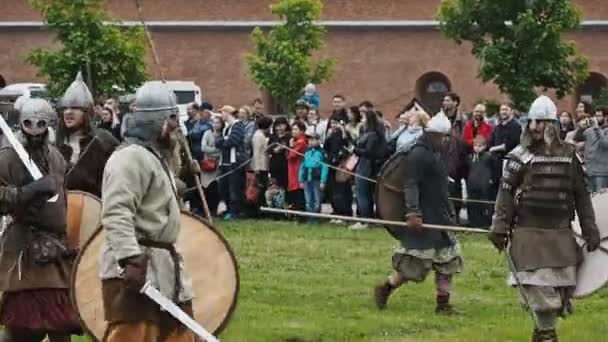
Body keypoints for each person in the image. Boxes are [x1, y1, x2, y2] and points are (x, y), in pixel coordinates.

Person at [488, 95, 600, 342]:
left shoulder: (570, 156)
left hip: (561, 237)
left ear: (553, 125)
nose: (534, 127)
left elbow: (582, 197)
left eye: (540, 122)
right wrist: (499, 225)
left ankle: (542, 335)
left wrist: (590, 228)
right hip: (529, 237)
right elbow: (505, 195)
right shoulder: (519, 156)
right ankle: (548, 336)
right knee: (543, 299)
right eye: (532, 122)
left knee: (557, 297)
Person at [99, 81, 195, 342]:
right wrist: (131, 258)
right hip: (138, 267)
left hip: (163, 267)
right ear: (157, 120)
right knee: (134, 335)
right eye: (172, 119)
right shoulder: (130, 157)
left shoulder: (154, 156)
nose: (177, 126)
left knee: (178, 335)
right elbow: (117, 211)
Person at [0, 98, 81, 342]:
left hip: (55, 248)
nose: (34, 130)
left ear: (49, 125)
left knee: (61, 325)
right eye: (28, 123)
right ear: (21, 124)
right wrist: (29, 191)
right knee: (23, 327)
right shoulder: (7, 156)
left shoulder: (56, 157)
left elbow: (63, 202)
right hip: (24, 249)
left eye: (40, 124)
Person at [374, 112, 463, 314]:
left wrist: (450, 215)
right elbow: (410, 184)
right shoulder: (418, 154)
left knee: (447, 262)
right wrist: (413, 212)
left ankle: (443, 304)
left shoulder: (435, 152)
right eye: (443, 136)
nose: (445, 140)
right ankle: (385, 288)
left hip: (440, 216)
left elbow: (440, 187)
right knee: (412, 265)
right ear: (433, 134)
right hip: (424, 216)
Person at [55, 72, 120, 198]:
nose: (68, 112)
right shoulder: (57, 143)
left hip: (95, 209)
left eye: (75, 108)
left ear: (87, 112)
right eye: (65, 108)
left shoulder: (104, 141)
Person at [349, 108, 386, 230]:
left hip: (367, 166)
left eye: (364, 117)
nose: (361, 119)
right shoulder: (365, 133)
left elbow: (369, 152)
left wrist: (355, 150)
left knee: (363, 193)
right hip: (362, 164)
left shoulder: (373, 135)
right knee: (362, 193)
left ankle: (365, 220)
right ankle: (365, 218)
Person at [441, 92, 468, 225]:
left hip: (458, 161)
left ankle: (455, 218)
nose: (444, 103)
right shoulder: (440, 119)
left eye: (447, 100)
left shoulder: (462, 121)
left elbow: (465, 140)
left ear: (455, 102)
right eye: (444, 101)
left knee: (455, 191)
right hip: (442, 159)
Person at [217, 105, 247, 220]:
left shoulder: (237, 126)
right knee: (224, 188)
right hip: (224, 162)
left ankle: (236, 212)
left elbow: (233, 141)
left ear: (228, 113)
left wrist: (224, 141)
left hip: (235, 162)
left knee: (235, 188)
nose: (221, 115)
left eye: (222, 113)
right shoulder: (225, 128)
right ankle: (227, 210)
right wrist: (224, 140)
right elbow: (218, 142)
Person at [488, 102, 522, 196]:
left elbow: (510, 144)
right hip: (496, 165)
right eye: (502, 110)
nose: (503, 112)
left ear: (512, 111)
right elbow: (491, 141)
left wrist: (493, 148)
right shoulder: (497, 127)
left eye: (506, 110)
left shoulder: (516, 126)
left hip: (508, 164)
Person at [324, 118, 353, 221]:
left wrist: (344, 131)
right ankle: (336, 210)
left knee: (342, 190)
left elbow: (349, 146)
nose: (333, 125)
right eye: (331, 123)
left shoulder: (344, 134)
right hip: (331, 165)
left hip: (341, 166)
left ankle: (345, 212)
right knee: (332, 190)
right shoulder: (330, 135)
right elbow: (326, 148)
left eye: (335, 123)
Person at [574, 106, 608, 192]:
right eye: (596, 116)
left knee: (600, 199)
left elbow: (605, 144)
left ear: (606, 117)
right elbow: (577, 138)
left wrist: (597, 129)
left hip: (602, 172)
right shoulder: (590, 130)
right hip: (589, 171)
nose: (597, 118)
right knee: (591, 199)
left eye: (599, 116)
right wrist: (581, 127)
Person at [466, 135, 495, 228]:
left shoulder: (488, 157)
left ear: (485, 146)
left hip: (484, 184)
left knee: (483, 204)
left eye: (479, 146)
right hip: (472, 184)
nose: (477, 148)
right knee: (472, 203)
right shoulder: (471, 157)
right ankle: (473, 222)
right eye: (475, 146)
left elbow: (494, 169)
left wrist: (491, 179)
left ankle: (485, 223)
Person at [299, 133, 329, 222]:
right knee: (308, 199)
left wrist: (323, 180)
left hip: (317, 179)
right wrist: (301, 179)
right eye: (309, 140)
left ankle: (316, 218)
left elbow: (324, 167)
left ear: (318, 140)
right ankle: (309, 218)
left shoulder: (321, 152)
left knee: (317, 199)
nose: (311, 142)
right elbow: (302, 166)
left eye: (313, 139)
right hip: (307, 179)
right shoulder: (306, 152)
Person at [199, 115, 223, 216]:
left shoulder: (222, 135)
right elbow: (204, 148)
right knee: (205, 187)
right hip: (207, 165)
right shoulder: (207, 133)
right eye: (214, 122)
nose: (215, 124)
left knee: (215, 187)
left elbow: (223, 149)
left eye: (218, 122)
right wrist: (216, 150)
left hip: (217, 165)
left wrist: (214, 151)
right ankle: (205, 209)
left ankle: (214, 209)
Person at [249, 116, 273, 212]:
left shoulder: (261, 135)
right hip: (260, 166)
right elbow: (256, 152)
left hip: (263, 165)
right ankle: (257, 209)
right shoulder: (258, 136)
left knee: (262, 188)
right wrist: (257, 167)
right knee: (259, 188)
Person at [286, 121, 308, 215]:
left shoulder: (301, 142)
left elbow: (291, 155)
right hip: (293, 169)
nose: (293, 131)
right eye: (293, 129)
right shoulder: (296, 141)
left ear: (302, 131)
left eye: (296, 129)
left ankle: (300, 215)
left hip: (298, 170)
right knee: (295, 192)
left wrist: (290, 146)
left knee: (299, 192)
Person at [268, 117, 291, 190]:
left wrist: (283, 148)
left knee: (285, 183)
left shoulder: (289, 136)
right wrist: (274, 150)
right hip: (275, 163)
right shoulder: (272, 136)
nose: (278, 128)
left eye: (281, 125)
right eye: (277, 126)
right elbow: (268, 149)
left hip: (285, 163)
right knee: (275, 184)